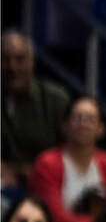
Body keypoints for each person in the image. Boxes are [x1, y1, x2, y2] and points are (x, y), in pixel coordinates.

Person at [29, 96, 106, 222]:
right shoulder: (47, 163)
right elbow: (55, 220)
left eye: (91, 119)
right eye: (77, 117)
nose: (83, 124)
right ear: (65, 126)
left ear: (101, 129)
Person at [1, 31, 70, 189]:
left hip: (47, 184)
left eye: (20, 59)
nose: (12, 68)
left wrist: (34, 170)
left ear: (32, 61)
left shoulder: (55, 99)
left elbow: (70, 152)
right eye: (4, 60)